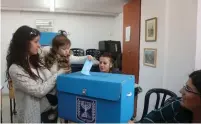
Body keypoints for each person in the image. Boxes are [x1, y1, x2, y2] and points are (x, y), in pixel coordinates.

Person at [6, 25, 67, 123]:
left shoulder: (36, 60)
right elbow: (39, 91)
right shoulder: (15, 69)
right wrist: (59, 73)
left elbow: (48, 79)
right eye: (35, 42)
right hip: (32, 116)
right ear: (24, 44)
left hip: (49, 111)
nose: (39, 45)